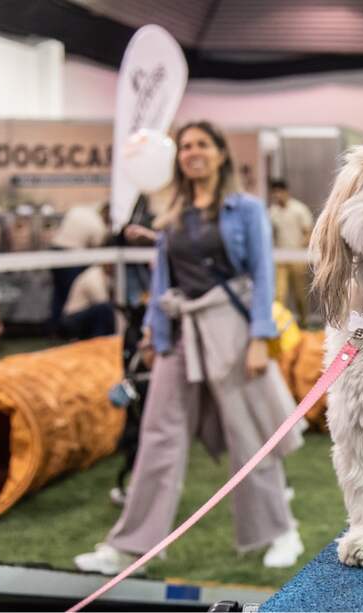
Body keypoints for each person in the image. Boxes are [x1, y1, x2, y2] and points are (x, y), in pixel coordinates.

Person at [74, 121, 303, 575]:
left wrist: (260, 338)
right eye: (185, 146)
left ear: (220, 153)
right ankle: (132, 547)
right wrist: (153, 333)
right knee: (158, 437)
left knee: (249, 435)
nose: (192, 152)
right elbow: (164, 277)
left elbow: (262, 274)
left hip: (231, 329)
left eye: (201, 144)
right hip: (179, 332)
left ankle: (281, 531)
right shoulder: (175, 210)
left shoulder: (246, 208)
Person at [49, 202, 110, 328]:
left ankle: (54, 327)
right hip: (71, 257)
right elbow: (98, 250)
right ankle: (65, 327)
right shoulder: (98, 226)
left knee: (58, 293)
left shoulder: (80, 210)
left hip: (55, 250)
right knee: (70, 292)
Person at [268, 180, 313, 327]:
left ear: (286, 192)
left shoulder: (299, 209)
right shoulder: (272, 212)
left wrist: (300, 248)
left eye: (279, 192)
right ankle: (279, 326)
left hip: (297, 258)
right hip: (280, 259)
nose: (277, 195)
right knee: (279, 294)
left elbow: (308, 232)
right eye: (274, 192)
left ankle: (304, 323)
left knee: (300, 294)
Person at [58, 263, 116, 339]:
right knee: (104, 309)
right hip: (71, 320)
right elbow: (103, 302)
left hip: (84, 317)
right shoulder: (94, 275)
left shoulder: (107, 276)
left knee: (105, 310)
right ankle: (98, 340)